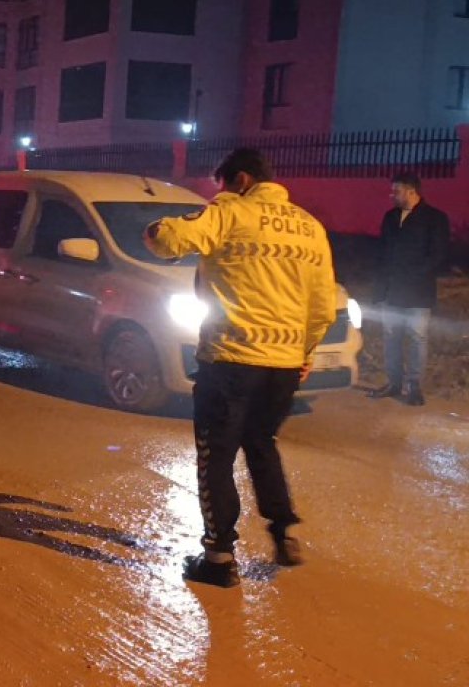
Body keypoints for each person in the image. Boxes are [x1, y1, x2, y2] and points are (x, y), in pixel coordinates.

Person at [143, 148, 337, 588]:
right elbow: (323, 305)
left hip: (231, 359)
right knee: (262, 442)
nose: (221, 193)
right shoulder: (309, 227)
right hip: (284, 365)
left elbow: (168, 240)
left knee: (216, 454)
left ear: (241, 180)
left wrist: (162, 227)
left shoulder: (230, 211)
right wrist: (304, 352)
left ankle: (218, 557)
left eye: (224, 186)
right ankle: (283, 533)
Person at [367, 173, 450, 407]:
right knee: (391, 338)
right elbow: (381, 255)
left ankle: (414, 387)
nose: (392, 195)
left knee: (416, 338)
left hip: (418, 293)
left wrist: (412, 274)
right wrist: (379, 292)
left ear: (412, 192)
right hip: (391, 292)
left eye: (397, 191)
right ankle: (394, 383)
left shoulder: (435, 218)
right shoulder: (390, 217)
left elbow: (438, 255)